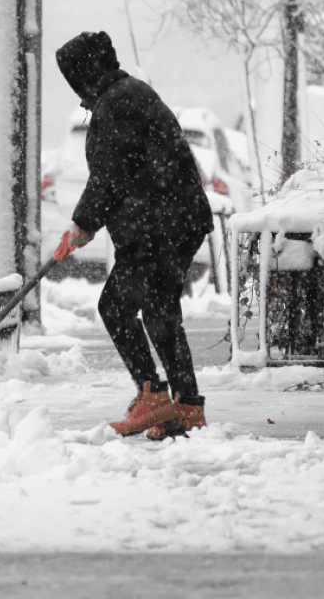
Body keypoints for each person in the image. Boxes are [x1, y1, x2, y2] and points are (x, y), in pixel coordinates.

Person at [52, 31, 213, 439]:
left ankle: (154, 395)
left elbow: (110, 176)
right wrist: (86, 222)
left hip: (159, 225)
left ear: (86, 75)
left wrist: (84, 223)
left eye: (75, 81)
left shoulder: (118, 103)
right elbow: (121, 172)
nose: (77, 94)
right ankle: (186, 407)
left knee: (116, 308)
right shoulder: (126, 94)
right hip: (169, 221)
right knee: (160, 311)